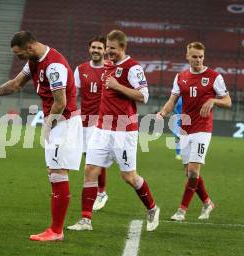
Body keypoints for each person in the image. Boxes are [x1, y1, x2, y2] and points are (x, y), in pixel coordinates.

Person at [0, 31, 83, 241]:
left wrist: (48, 123)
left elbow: (61, 101)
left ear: (29, 48)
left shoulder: (54, 65)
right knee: (54, 172)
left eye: (19, 54)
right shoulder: (34, 61)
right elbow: (16, 83)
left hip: (63, 121)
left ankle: (56, 231)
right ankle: (56, 229)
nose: (18, 58)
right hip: (57, 122)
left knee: (57, 172)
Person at [68, 30, 160, 232]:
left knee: (129, 177)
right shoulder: (107, 66)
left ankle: (152, 208)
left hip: (124, 130)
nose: (108, 52)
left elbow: (144, 96)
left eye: (112, 49)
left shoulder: (133, 68)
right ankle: (85, 219)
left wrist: (118, 86)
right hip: (101, 127)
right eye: (107, 48)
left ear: (123, 48)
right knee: (90, 170)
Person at [157, 42, 231, 221]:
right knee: (189, 173)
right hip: (185, 129)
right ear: (187, 56)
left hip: (202, 129)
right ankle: (207, 202)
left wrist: (213, 101)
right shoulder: (180, 77)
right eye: (194, 56)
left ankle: (181, 211)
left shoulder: (214, 77)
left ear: (203, 57)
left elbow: (228, 101)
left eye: (201, 57)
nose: (198, 60)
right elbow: (172, 100)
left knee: (193, 171)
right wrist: (162, 113)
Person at [73, 36, 109, 212]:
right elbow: (74, 94)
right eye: (93, 47)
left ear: (105, 51)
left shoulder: (110, 69)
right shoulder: (80, 69)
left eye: (99, 48)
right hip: (84, 120)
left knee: (95, 158)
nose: (96, 50)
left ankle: (101, 193)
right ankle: (98, 191)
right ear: (89, 49)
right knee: (88, 157)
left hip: (102, 121)